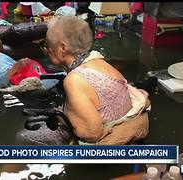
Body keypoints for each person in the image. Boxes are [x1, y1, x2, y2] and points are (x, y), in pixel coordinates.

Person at [16, 16, 143, 145]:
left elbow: (91, 134)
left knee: (22, 137)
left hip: (105, 146)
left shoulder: (74, 81)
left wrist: (60, 118)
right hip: (126, 130)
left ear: (63, 48)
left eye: (47, 44)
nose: (47, 50)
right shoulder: (99, 61)